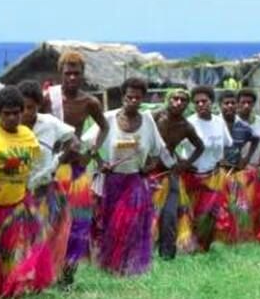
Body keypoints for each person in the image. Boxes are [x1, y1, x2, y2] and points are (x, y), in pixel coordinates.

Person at [84, 77, 169, 276]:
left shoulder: (147, 121)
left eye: (138, 98)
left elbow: (157, 152)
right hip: (111, 182)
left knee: (129, 223)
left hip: (135, 181)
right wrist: (99, 162)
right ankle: (112, 265)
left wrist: (149, 167)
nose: (133, 101)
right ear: (122, 97)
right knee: (110, 226)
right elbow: (89, 143)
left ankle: (128, 266)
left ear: (143, 99)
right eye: (129, 97)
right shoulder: (108, 119)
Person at [45, 50, 109, 285]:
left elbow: (104, 127)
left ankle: (68, 274)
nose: (72, 78)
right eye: (68, 73)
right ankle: (48, 271)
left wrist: (90, 153)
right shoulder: (48, 99)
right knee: (52, 221)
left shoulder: (89, 102)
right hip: (52, 169)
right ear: (60, 73)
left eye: (77, 73)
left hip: (76, 171)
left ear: (83, 75)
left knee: (78, 222)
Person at [0, 86, 48, 297]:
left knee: (17, 248)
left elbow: (36, 164)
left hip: (18, 201)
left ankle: (15, 288)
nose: (12, 118)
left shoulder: (27, 135)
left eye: (16, 113)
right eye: (6, 113)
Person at [18, 80, 78, 286]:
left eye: (30, 108)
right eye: (22, 108)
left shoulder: (50, 124)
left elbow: (73, 140)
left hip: (45, 189)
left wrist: (59, 159)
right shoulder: (11, 125)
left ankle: (41, 275)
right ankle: (22, 275)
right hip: (18, 191)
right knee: (22, 236)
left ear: (38, 106)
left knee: (44, 234)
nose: (25, 112)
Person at [149, 89, 204, 260]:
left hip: (169, 174)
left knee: (170, 216)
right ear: (168, 99)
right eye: (175, 98)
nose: (178, 102)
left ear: (187, 104)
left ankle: (167, 255)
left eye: (183, 100)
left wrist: (185, 164)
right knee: (145, 215)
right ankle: (141, 253)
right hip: (147, 173)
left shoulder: (186, 126)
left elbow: (200, 146)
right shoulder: (155, 116)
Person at [183, 85, 233, 253]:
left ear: (212, 102)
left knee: (210, 213)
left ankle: (204, 245)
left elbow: (226, 143)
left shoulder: (219, 122)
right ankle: (191, 244)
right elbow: (168, 146)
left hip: (214, 176)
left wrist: (219, 160)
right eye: (196, 102)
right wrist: (182, 162)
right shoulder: (188, 123)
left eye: (204, 101)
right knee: (192, 214)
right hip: (191, 177)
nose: (201, 105)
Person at [234, 89, 260, 242]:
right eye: (242, 102)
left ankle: (258, 231)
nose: (246, 105)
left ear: (253, 104)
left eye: (249, 103)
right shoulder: (231, 122)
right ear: (237, 103)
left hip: (257, 169)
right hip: (238, 170)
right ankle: (242, 233)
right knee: (240, 205)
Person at [218, 90, 257, 243]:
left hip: (236, 171)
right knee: (220, 205)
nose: (229, 106)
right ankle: (220, 235)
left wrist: (246, 159)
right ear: (220, 106)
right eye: (226, 103)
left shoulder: (243, 126)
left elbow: (255, 139)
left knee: (241, 206)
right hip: (217, 172)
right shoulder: (215, 123)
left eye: (232, 103)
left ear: (237, 105)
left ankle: (240, 235)